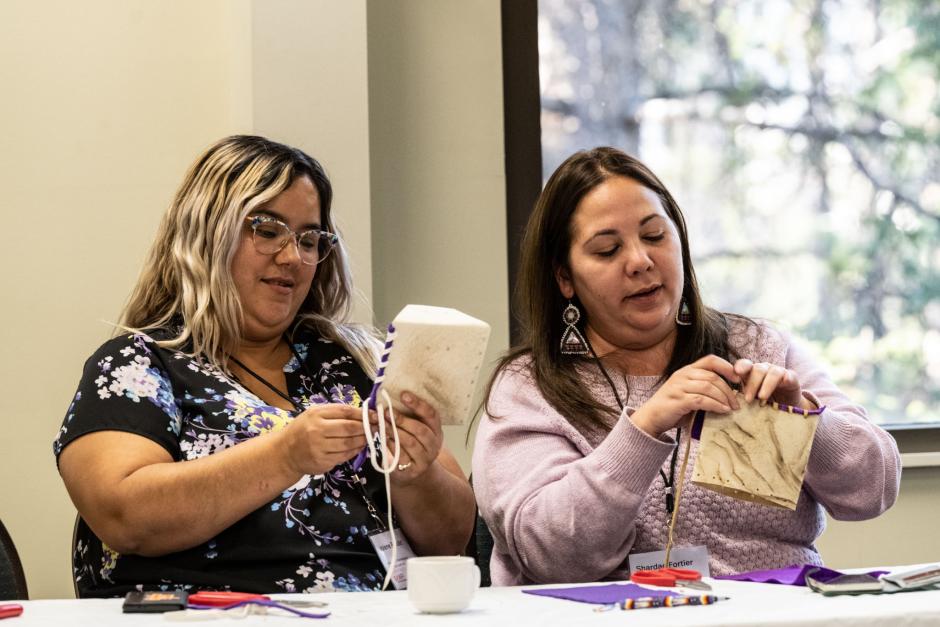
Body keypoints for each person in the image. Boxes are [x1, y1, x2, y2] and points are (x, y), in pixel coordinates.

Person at [54, 135, 476, 597]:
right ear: (207, 235)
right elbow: (124, 517)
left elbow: (452, 538)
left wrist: (414, 474)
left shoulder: (355, 362)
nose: (293, 257)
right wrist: (285, 455)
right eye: (268, 230)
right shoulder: (139, 365)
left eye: (309, 239)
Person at [472, 147, 901, 586]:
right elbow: (550, 556)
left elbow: (874, 490)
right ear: (565, 278)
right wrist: (643, 428)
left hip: (774, 614)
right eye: (607, 250)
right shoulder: (529, 388)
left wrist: (807, 424)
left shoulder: (757, 346)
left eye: (655, 236)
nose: (640, 261)